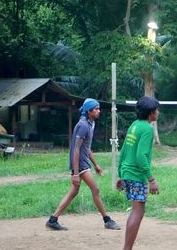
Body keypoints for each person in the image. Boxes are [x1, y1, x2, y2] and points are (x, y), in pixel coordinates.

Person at [46, 98, 121, 231]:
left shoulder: (90, 123)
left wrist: (96, 165)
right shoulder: (83, 125)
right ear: (89, 111)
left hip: (83, 162)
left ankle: (53, 220)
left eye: (98, 108)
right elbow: (76, 149)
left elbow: (86, 148)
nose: (99, 111)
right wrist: (75, 173)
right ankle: (107, 220)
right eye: (96, 109)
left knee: (74, 191)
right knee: (95, 189)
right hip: (80, 164)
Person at [117, 96, 161, 250]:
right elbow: (141, 156)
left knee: (137, 210)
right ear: (151, 113)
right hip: (136, 175)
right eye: (157, 109)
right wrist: (151, 179)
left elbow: (124, 151)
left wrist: (121, 174)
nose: (158, 112)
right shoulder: (147, 129)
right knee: (138, 211)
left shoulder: (134, 125)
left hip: (127, 172)